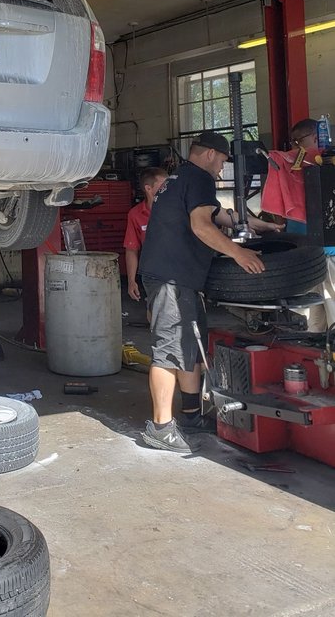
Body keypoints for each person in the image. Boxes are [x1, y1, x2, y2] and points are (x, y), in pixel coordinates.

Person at [138, 131, 279, 455]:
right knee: (169, 350)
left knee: (189, 346)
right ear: (211, 154)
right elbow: (201, 225)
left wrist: (260, 224)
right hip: (172, 277)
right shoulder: (200, 178)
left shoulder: (180, 178)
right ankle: (160, 428)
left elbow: (217, 214)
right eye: (223, 162)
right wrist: (238, 253)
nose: (221, 169)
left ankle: (190, 416)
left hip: (179, 277)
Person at [124, 167, 168, 303]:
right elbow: (131, 249)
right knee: (155, 307)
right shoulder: (135, 214)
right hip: (152, 272)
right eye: (163, 186)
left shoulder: (178, 209)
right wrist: (131, 281)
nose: (168, 189)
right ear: (148, 188)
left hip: (178, 269)